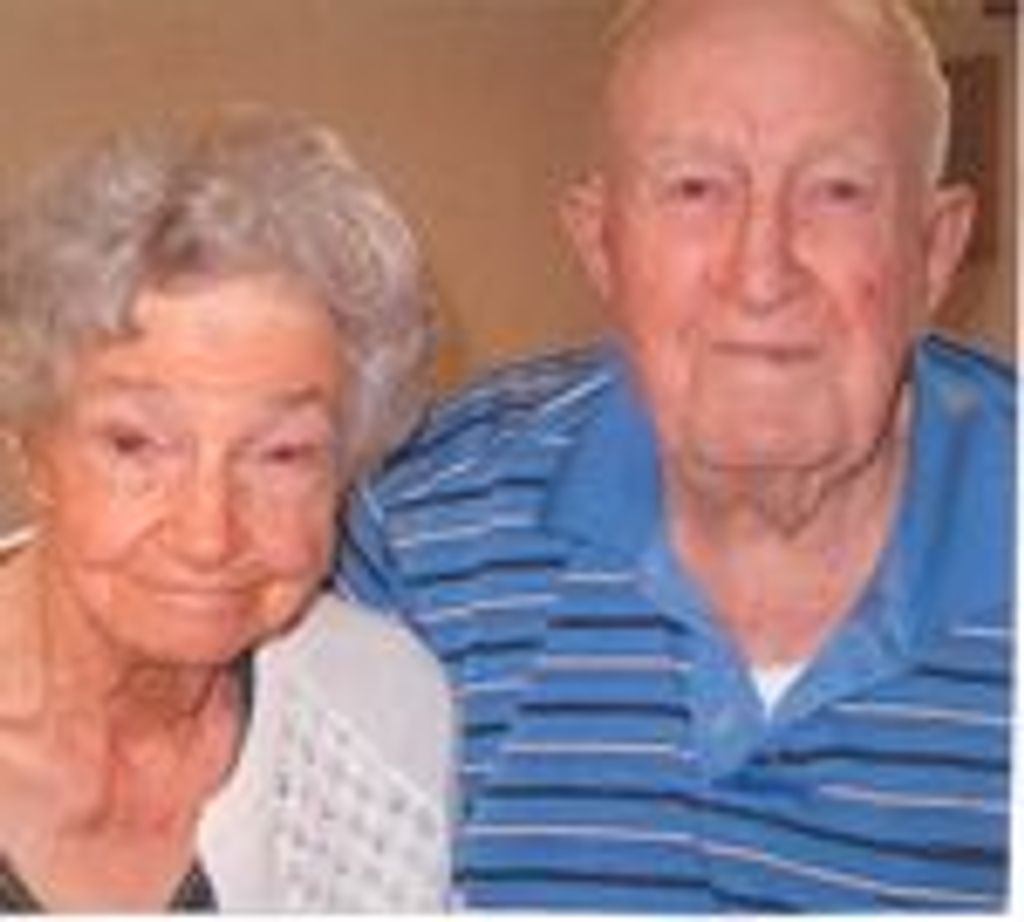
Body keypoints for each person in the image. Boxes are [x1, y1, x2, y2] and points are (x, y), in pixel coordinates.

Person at [337, 0, 1014, 912]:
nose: (762, 274)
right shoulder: (419, 535)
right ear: (600, 243)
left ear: (934, 250)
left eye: (838, 192)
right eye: (696, 189)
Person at [0, 110, 453, 911]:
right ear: (29, 448)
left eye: (281, 454)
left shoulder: (383, 709)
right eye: (136, 445)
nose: (209, 536)